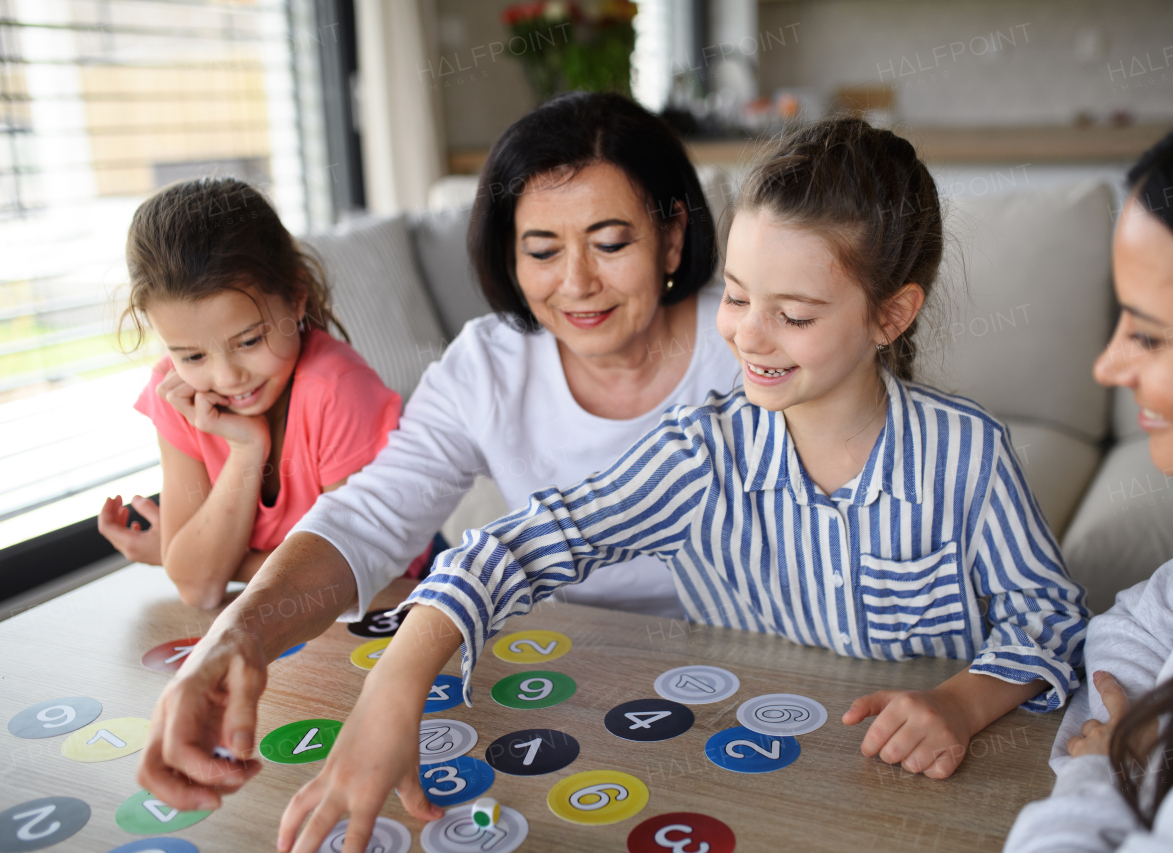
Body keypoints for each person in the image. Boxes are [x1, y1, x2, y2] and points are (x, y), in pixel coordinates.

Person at [276, 116, 1089, 853]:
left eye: (796, 315)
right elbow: (519, 544)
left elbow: (1051, 616)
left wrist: (963, 698)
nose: (749, 334)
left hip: (927, 792)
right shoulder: (702, 452)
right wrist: (395, 685)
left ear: (891, 315)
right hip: (748, 774)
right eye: (735, 297)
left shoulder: (969, 453)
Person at [135, 92, 740, 811]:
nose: (576, 282)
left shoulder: (750, 343)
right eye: (542, 251)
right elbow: (367, 518)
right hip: (570, 660)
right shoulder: (488, 365)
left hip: (741, 657)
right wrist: (235, 638)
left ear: (672, 236)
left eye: (611, 243)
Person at [1004, 83, 1173, 851]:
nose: (1106, 364)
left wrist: (1108, 767)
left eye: (1150, 335)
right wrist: (1144, 740)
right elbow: (1138, 620)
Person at [98, 178, 404, 609]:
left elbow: (353, 577)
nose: (226, 378)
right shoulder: (176, 393)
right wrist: (247, 448)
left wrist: (211, 562)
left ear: (296, 298)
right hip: (278, 613)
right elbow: (199, 590)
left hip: (386, 608)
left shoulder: (337, 390)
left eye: (248, 342)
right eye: (191, 355)